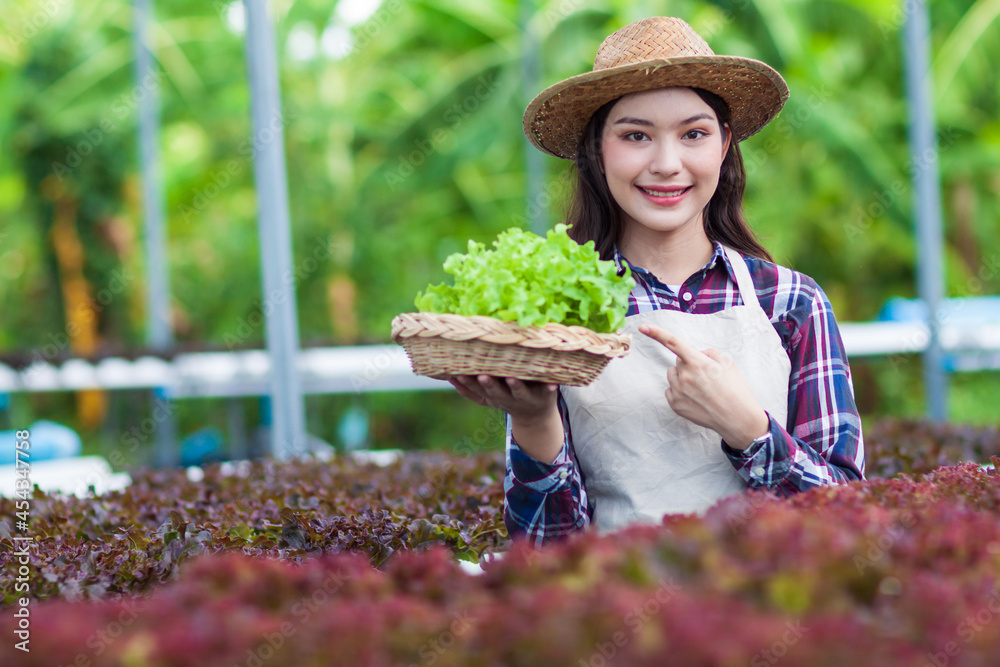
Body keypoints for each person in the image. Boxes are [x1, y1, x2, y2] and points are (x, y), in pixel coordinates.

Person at [448, 16, 865, 545]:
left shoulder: (791, 302)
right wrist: (534, 423)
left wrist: (748, 429)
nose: (667, 164)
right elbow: (546, 551)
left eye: (694, 134)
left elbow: (849, 514)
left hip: (769, 610)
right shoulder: (555, 310)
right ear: (598, 151)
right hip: (618, 612)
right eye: (636, 135)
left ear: (723, 144)